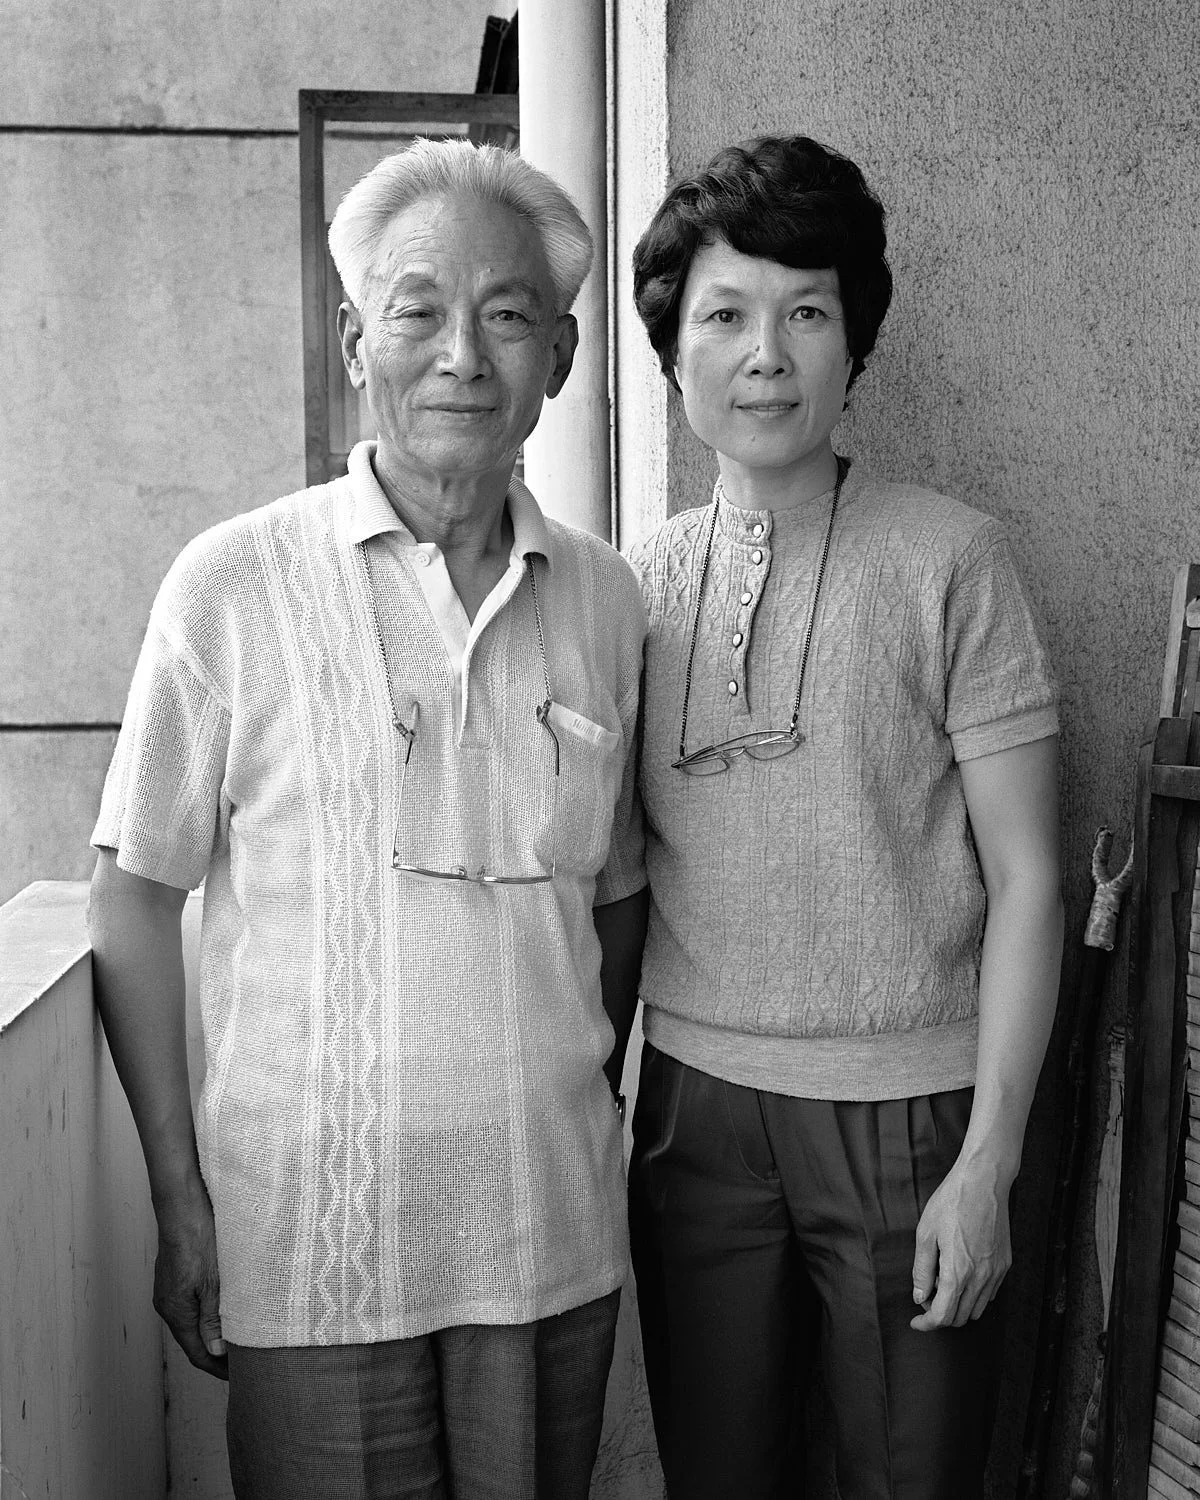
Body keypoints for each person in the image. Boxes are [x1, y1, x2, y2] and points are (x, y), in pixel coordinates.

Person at [87, 137, 648, 1500]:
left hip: (548, 1242)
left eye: (508, 315)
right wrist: (179, 1196)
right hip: (307, 1249)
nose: (463, 353)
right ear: (356, 342)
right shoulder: (229, 583)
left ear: (561, 358)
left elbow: (617, 900)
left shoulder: (608, 600)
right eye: (418, 311)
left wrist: (556, 1088)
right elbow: (132, 899)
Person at [624, 134, 1064, 1499]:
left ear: (854, 340)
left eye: (806, 312)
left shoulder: (955, 558)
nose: (768, 354)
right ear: (674, 350)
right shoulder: (625, 588)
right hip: (692, 1117)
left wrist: (990, 1162)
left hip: (912, 1119)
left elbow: (1035, 882)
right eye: (727, 316)